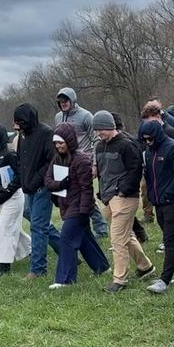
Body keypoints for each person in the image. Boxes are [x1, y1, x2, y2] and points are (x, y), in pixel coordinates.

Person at [94, 110, 155, 292]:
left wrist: (122, 191)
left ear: (110, 126)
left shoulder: (127, 145)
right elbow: (102, 172)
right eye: (96, 130)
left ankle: (119, 279)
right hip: (107, 197)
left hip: (125, 197)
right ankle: (146, 267)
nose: (99, 133)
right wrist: (102, 192)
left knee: (117, 238)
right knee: (126, 236)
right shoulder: (99, 146)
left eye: (101, 129)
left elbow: (135, 171)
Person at [44, 124, 109, 288]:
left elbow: (87, 188)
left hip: (79, 208)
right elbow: (48, 181)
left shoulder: (81, 160)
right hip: (66, 205)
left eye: (61, 143)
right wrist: (61, 184)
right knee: (85, 238)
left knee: (66, 239)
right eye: (56, 143)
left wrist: (84, 211)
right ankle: (102, 267)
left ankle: (65, 279)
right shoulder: (57, 159)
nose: (58, 146)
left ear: (69, 141)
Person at [140, 119, 174, 294]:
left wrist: (169, 194)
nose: (148, 142)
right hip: (158, 201)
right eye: (145, 139)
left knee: (170, 240)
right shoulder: (148, 151)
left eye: (150, 139)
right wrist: (152, 197)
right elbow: (149, 176)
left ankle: (164, 279)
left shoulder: (172, 147)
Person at [13, 103, 62, 280]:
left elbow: (52, 161)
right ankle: (66, 251)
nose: (17, 126)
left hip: (42, 187)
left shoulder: (46, 133)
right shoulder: (22, 135)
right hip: (28, 188)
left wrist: (37, 179)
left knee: (38, 227)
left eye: (20, 122)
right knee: (40, 223)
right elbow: (21, 160)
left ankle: (38, 269)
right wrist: (22, 180)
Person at [55, 87, 108, 239]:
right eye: (60, 101)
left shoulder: (86, 116)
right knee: (71, 195)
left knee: (85, 194)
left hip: (84, 161)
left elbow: (96, 140)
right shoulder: (58, 117)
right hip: (66, 163)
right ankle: (77, 227)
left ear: (72, 100)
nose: (63, 103)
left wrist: (94, 164)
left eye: (66, 100)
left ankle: (101, 228)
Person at [0, 123, 30, 277]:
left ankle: (4, 266)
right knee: (13, 228)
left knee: (4, 229)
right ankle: (31, 249)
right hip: (1, 197)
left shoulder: (10, 154)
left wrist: (9, 189)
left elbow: (20, 175)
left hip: (13, 196)